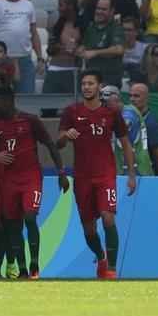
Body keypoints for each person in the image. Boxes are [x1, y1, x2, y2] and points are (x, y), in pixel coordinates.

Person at [57, 71, 137, 279]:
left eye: (91, 83)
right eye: (83, 84)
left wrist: (131, 175)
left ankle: (111, 268)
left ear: (99, 86)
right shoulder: (71, 112)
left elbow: (126, 144)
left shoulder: (110, 114)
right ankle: (100, 256)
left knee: (107, 216)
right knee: (89, 228)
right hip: (82, 177)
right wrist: (66, 135)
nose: (86, 87)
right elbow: (58, 143)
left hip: (105, 174)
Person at [0, 84, 69, 279]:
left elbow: (50, 144)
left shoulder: (30, 120)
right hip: (8, 180)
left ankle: (34, 263)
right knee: (12, 224)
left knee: (30, 217)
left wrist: (61, 172)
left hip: (31, 177)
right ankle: (22, 268)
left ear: (10, 100)